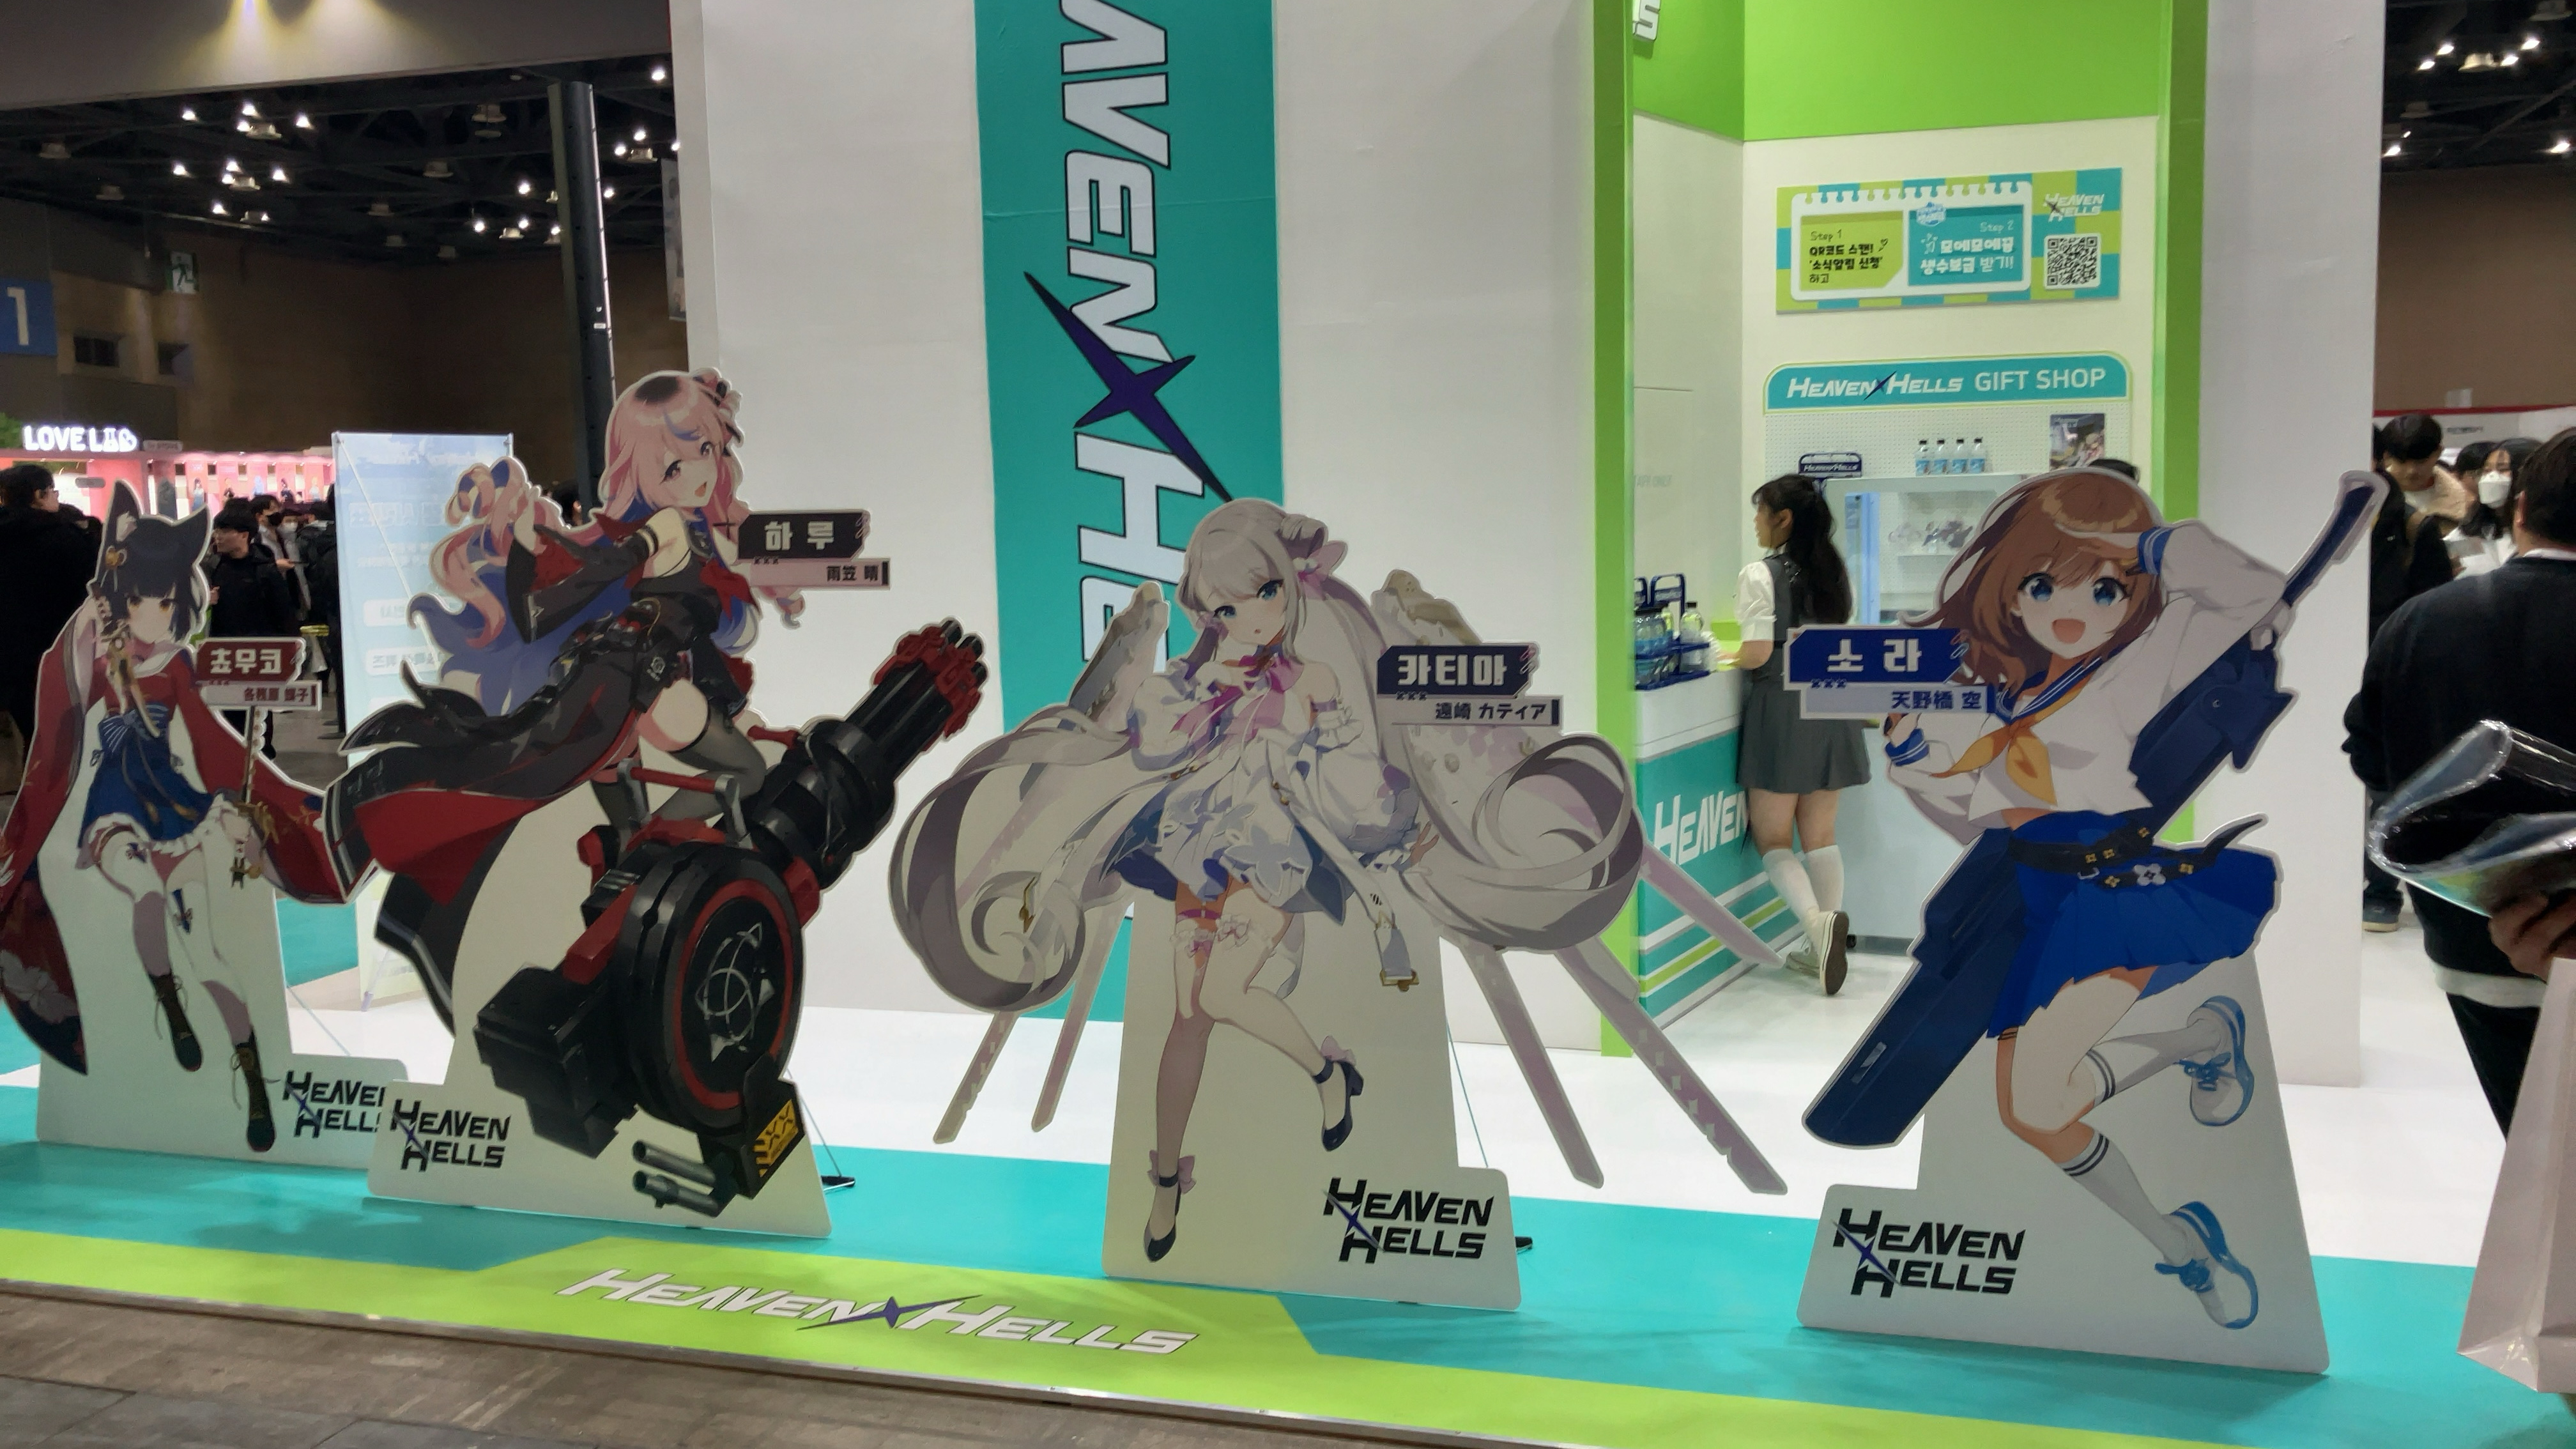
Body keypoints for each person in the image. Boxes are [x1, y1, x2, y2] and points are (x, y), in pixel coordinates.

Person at [894, 499, 1637, 1264]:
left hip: (1278, 852)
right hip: (1198, 848)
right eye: (1225, 607)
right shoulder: (1189, 680)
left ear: (1286, 587)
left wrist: (1379, 816)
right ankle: (1168, 1181)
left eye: (1263, 595)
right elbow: (1153, 749)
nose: (1247, 618)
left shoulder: (1314, 678)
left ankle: (1325, 1071)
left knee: (1220, 993)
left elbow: (1355, 775)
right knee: (1188, 1017)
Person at [1882, 466, 2287, 1330]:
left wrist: (2148, 546)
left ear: (2132, 595)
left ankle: (2183, 1242)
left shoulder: (2142, 662)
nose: (2072, 608)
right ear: (2009, 589)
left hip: (2109, 894)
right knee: (2030, 1115)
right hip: (2030, 896)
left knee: (2038, 1101)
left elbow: (2256, 594)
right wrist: (1917, 755)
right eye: (2043, 584)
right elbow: (1973, 810)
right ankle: (2200, 1050)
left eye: (2104, 588)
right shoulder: (1999, 692)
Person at [0, 485, 344, 1146]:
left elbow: (212, 745)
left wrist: (260, 799)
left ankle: (252, 1078)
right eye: (141, 601)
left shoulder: (177, 663)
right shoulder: (89, 659)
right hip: (115, 810)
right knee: (147, 893)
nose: (155, 615)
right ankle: (165, 994)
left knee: (210, 956)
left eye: (165, 603)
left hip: (177, 805)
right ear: (121, 600)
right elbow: (55, 732)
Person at [2349, 428, 2576, 1133]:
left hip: (2473, 937)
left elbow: (2373, 761)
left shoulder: (2423, 621)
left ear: (2521, 509)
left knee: (2533, 1150)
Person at [1724, 474, 1869, 995]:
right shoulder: (1835, 574)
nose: (1756, 522)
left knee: (1772, 837)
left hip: (1783, 707)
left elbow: (1758, 653)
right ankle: (1823, 944)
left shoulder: (1760, 575)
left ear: (1783, 519)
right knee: (1821, 835)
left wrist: (1727, 658)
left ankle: (1816, 926)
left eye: (1761, 511)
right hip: (1833, 699)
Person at [2363, 415, 2459, 932]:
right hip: (2313, 669)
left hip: (2386, 673)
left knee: (2386, 787)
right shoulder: (2304, 518)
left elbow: (2435, 615)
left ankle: (2379, 888)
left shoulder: (2413, 528)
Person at [0, 463, 100, 746]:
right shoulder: (67, 540)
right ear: (39, 495)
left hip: (10, 664)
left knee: (29, 740)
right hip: (62, 654)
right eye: (52, 491)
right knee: (68, 742)